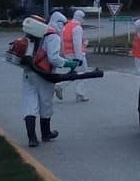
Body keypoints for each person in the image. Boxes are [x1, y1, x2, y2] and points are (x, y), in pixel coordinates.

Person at [22, 11, 79, 147]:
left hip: (29, 73)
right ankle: (46, 133)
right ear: (58, 23)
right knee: (45, 103)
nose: (63, 27)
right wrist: (69, 63)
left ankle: (32, 138)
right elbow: (53, 59)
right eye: (63, 24)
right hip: (44, 75)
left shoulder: (35, 34)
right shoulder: (53, 36)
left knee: (30, 104)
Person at [58, 9, 90, 102]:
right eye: (83, 18)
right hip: (77, 55)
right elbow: (76, 44)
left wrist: (63, 54)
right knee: (85, 74)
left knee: (76, 73)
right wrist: (79, 58)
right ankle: (80, 93)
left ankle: (61, 86)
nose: (84, 20)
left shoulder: (66, 26)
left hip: (68, 54)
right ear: (80, 17)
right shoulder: (77, 28)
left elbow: (62, 42)